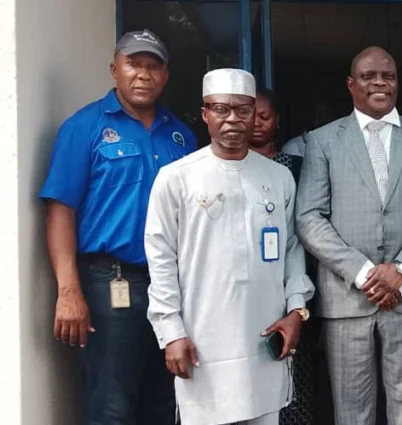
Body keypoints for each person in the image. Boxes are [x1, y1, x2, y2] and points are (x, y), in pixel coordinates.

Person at [39, 29, 195, 424]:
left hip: (172, 287)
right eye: (133, 64)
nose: (143, 74)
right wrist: (68, 291)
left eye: (153, 66)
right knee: (112, 403)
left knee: (166, 399)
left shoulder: (182, 135)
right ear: (114, 69)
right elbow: (61, 211)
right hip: (111, 284)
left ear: (165, 75)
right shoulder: (85, 127)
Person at [144, 68, 314, 425]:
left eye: (243, 109)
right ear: (205, 114)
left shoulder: (278, 177)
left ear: (254, 114)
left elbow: (292, 249)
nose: (233, 119)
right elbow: (160, 260)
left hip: (265, 340)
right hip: (202, 344)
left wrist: (297, 310)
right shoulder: (176, 178)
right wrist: (171, 332)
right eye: (221, 109)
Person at [296, 46, 402, 425]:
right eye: (369, 76)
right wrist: (364, 271)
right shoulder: (323, 141)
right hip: (348, 296)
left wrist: (400, 268)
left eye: (389, 75)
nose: (380, 82)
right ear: (352, 85)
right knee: (351, 410)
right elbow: (309, 217)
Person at [252, 87, 316, 425]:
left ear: (277, 122)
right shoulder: (226, 169)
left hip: (294, 285)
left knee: (294, 377)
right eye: (253, 115)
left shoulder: (294, 167)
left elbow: (303, 230)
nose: (258, 124)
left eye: (266, 117)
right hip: (248, 291)